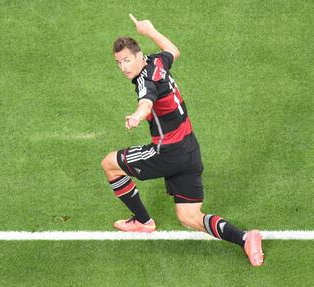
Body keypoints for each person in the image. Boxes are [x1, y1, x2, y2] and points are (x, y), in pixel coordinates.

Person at [101, 14, 264, 266]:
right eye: (118, 62)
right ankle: (245, 238)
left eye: (126, 60)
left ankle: (143, 221)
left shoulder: (145, 80)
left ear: (138, 56)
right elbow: (173, 51)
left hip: (167, 152)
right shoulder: (156, 61)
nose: (123, 67)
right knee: (189, 217)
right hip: (190, 149)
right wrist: (150, 30)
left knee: (109, 163)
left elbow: (146, 102)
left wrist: (136, 116)